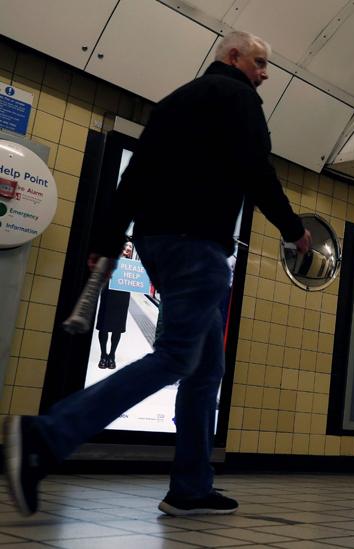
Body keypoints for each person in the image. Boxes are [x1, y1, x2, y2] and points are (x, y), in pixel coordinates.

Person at [3, 31, 311, 518]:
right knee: (174, 360)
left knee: (205, 370)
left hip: (157, 243)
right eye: (259, 62)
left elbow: (135, 177)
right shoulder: (237, 97)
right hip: (198, 245)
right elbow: (257, 168)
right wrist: (294, 229)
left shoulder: (174, 103)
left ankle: (190, 487)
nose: (265, 73)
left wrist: (106, 241)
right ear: (233, 57)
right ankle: (45, 436)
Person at [95, 241, 135, 369]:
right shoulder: (111, 258)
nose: (128, 248)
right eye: (126, 245)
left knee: (117, 326)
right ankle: (103, 355)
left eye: (130, 246)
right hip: (108, 292)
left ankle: (112, 355)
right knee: (104, 325)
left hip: (122, 296)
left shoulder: (132, 265)